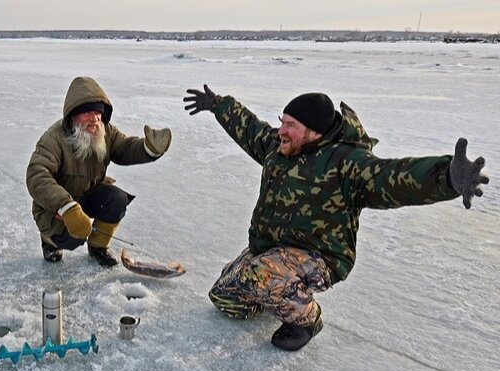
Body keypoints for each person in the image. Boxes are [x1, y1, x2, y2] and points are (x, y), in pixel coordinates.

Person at [183, 85, 489, 351]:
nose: (281, 131)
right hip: (272, 249)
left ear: (313, 131)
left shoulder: (346, 164)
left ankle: (306, 320)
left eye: (290, 124)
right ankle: (275, 290)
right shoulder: (279, 148)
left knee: (258, 275)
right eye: (282, 122)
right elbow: (250, 128)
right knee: (225, 298)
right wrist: (218, 105)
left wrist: (447, 177)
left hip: (319, 256)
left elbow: (393, 177)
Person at [27, 76, 172, 266]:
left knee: (116, 200)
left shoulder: (105, 131)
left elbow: (125, 148)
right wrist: (66, 207)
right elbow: (37, 175)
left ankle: (98, 246)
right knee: (75, 236)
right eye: (87, 112)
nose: (94, 118)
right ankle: (49, 242)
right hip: (56, 208)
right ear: (72, 114)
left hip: (88, 194)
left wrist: (149, 148)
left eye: (98, 113)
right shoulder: (54, 139)